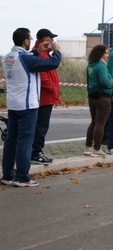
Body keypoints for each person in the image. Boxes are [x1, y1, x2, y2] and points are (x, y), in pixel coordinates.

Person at [1, 28, 61, 187]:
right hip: (27, 104)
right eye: (29, 38)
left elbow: (27, 60)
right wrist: (56, 52)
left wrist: (37, 51)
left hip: (13, 104)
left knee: (11, 139)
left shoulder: (8, 56)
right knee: (25, 140)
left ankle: (7, 174)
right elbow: (52, 63)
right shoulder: (25, 58)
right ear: (26, 41)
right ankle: (22, 176)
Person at [30, 28, 61, 165]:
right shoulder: (41, 54)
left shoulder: (45, 54)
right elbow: (43, 76)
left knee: (41, 125)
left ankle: (36, 151)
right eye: (50, 38)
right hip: (44, 96)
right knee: (41, 125)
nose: (53, 41)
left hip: (46, 96)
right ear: (43, 39)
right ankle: (36, 152)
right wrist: (51, 88)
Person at [84, 44, 113, 157]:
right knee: (100, 123)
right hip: (103, 97)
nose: (107, 55)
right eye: (106, 53)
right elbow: (104, 81)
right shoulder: (101, 66)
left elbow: (89, 82)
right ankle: (97, 148)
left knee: (94, 122)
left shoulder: (89, 66)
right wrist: (112, 84)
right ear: (100, 54)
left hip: (92, 96)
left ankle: (88, 147)